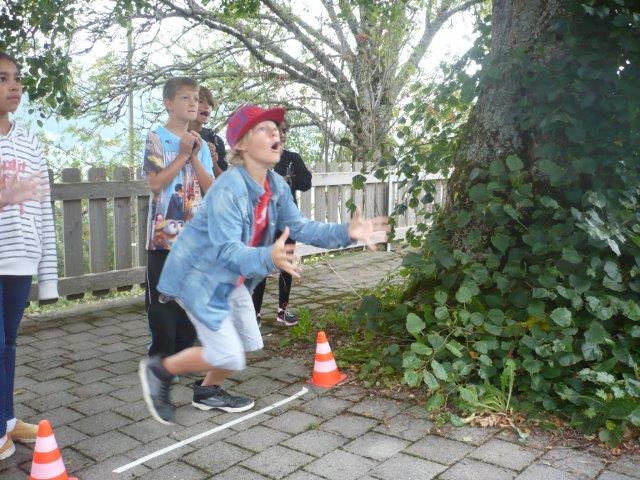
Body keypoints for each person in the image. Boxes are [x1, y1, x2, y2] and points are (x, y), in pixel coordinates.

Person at [138, 104, 388, 425]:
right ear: (242, 144)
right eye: (264, 129)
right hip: (198, 276)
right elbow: (226, 250)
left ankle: (206, 391)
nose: (276, 134)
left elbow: (301, 227)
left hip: (230, 277)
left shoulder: (276, 185)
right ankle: (160, 370)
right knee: (228, 352)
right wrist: (268, 256)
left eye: (277, 129)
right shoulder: (229, 188)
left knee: (247, 341)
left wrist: (346, 233)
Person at [0, 51, 59, 460]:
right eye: (3, 78)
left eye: (17, 78)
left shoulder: (29, 142)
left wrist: (48, 273)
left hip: (20, 258)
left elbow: (43, 208)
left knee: (7, 345)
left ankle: (5, 419)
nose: (14, 86)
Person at [143, 77, 214, 365]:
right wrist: (182, 155)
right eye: (186, 98)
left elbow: (211, 188)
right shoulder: (156, 138)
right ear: (169, 104)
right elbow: (155, 184)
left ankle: (182, 356)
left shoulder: (202, 144)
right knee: (163, 300)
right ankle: (160, 358)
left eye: (196, 98)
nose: (193, 103)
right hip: (163, 236)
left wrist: (194, 156)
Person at [252, 119, 312, 327]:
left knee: (286, 264)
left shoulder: (292, 158)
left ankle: (282, 311)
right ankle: (255, 313)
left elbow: (307, 183)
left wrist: (290, 181)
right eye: (278, 130)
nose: (282, 134)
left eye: (285, 130)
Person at [188, 86, 228, 177]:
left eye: (210, 104)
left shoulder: (216, 140)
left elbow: (222, 180)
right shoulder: (176, 135)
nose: (207, 107)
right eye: (200, 101)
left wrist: (212, 161)